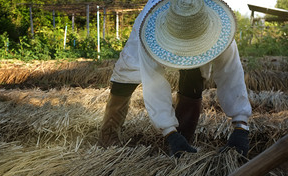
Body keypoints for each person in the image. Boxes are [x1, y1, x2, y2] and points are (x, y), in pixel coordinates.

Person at [99, 0, 252, 157]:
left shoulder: (220, 29)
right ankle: (109, 134)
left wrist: (241, 126)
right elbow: (153, 83)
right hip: (162, 24)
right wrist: (168, 131)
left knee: (194, 79)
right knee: (127, 71)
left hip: (198, 26)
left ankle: (184, 137)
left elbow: (231, 73)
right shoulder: (149, 31)